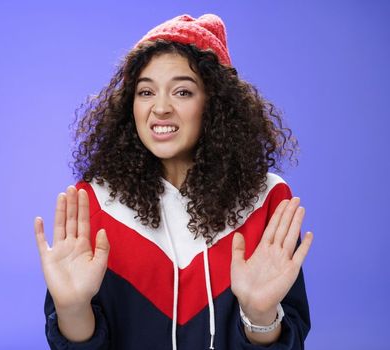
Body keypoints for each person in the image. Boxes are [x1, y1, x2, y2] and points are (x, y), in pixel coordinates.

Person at [33, 14, 313, 349]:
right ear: (129, 106)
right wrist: (72, 309)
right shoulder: (94, 205)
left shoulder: (265, 201)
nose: (160, 108)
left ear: (215, 103)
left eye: (182, 91)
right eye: (146, 91)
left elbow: (291, 339)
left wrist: (260, 315)